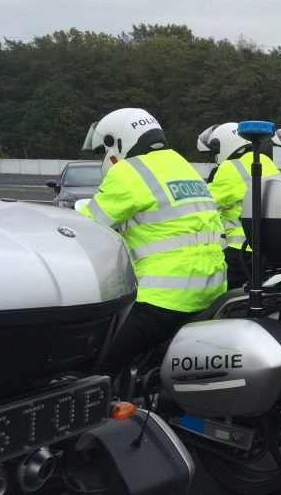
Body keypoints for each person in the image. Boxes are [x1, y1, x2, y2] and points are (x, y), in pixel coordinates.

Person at [79, 108, 227, 375]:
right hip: (210, 290)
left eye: (104, 149)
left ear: (117, 142)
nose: (106, 156)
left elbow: (86, 227)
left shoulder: (129, 172)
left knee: (97, 368)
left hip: (163, 298)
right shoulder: (183, 167)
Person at [197, 122, 281, 289]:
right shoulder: (266, 161)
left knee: (211, 292)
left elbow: (204, 202)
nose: (215, 158)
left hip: (242, 251)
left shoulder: (230, 167)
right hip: (270, 247)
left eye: (214, 152)